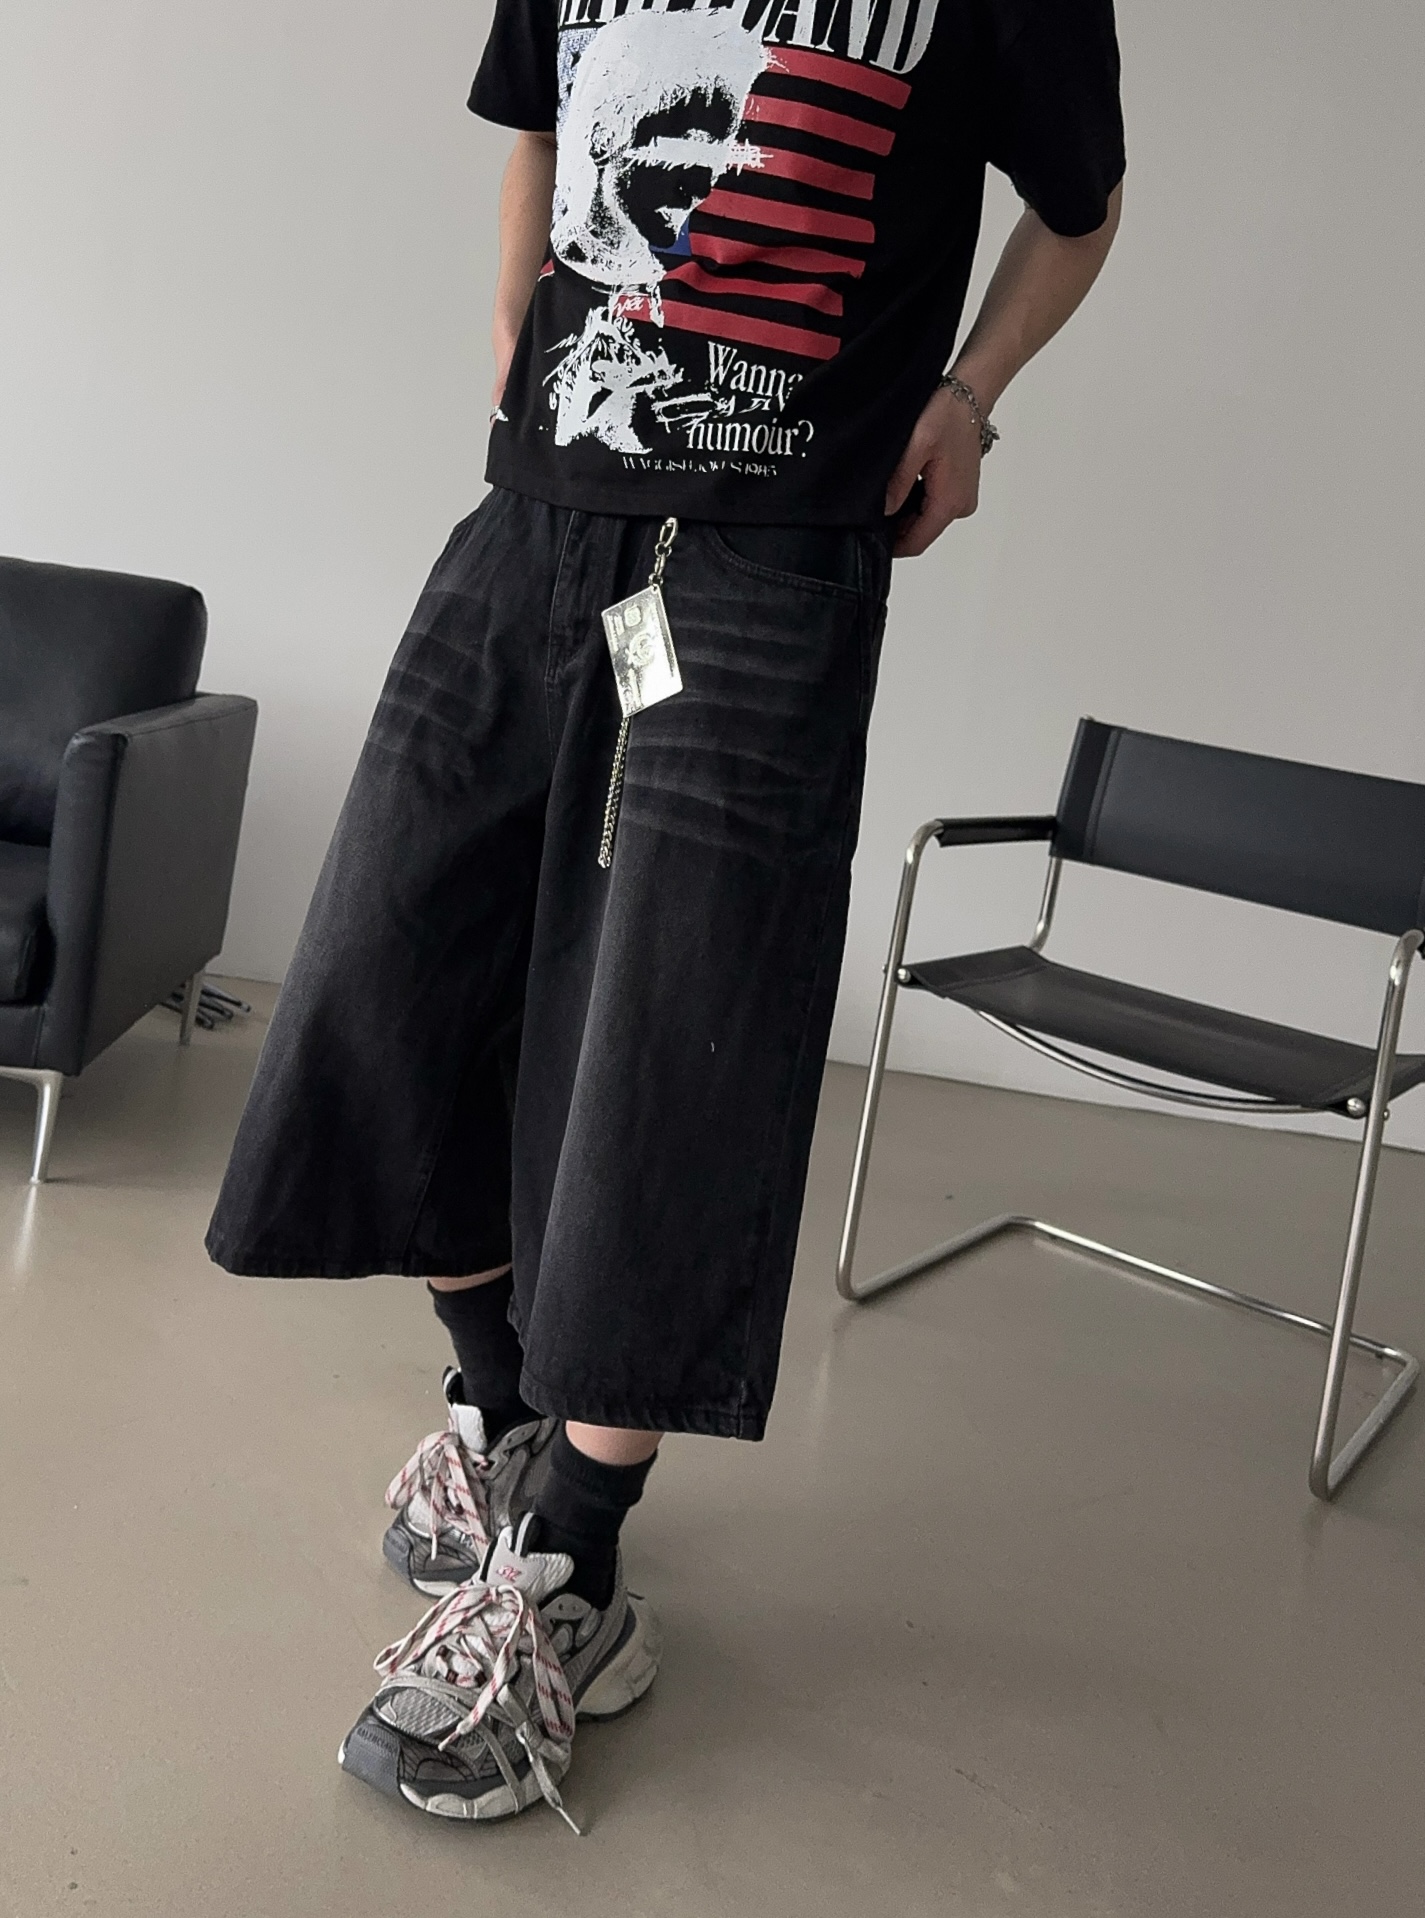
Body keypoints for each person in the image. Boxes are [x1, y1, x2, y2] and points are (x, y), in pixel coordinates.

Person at [206, 0, 1125, 1829]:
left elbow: (1078, 205)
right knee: (394, 965)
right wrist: (510, 339)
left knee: (676, 1029)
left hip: (771, 561)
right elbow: (537, 122)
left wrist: (964, 396)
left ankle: (577, 1555)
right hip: (536, 523)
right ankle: (499, 1403)